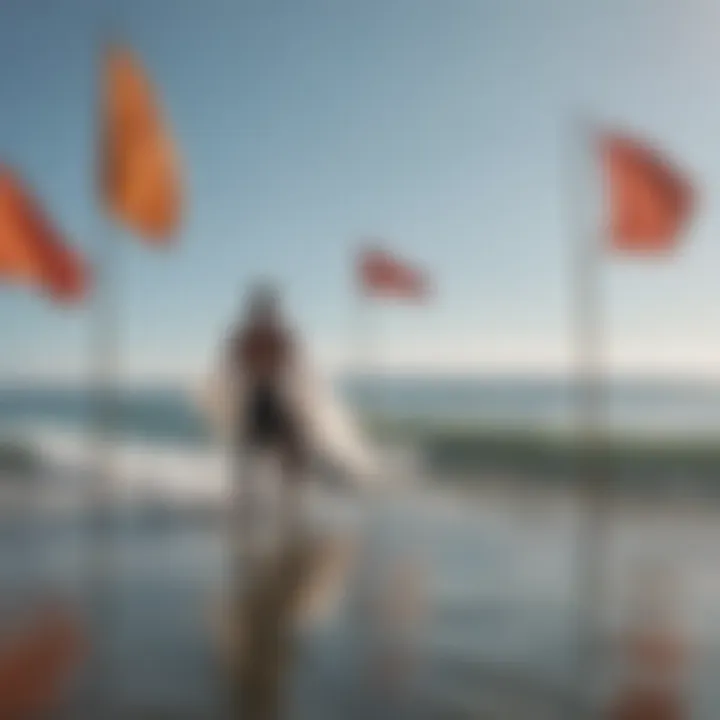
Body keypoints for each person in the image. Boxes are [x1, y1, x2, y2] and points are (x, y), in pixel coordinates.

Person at [227, 284, 306, 542]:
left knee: (281, 452)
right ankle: (259, 507)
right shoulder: (259, 335)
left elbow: (289, 363)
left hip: (267, 394)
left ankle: (279, 506)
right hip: (261, 394)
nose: (270, 313)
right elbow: (240, 363)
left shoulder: (265, 335)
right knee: (257, 453)